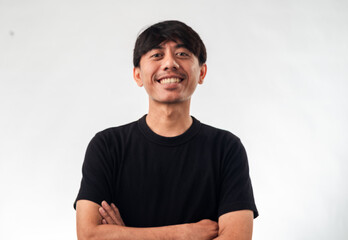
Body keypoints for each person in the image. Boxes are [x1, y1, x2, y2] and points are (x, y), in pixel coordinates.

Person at [74, 20, 258, 240]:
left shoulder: (226, 148)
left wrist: (125, 235)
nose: (170, 63)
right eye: (156, 55)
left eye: (182, 54)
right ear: (137, 75)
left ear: (202, 72)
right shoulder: (107, 146)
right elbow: (89, 235)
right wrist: (184, 233)